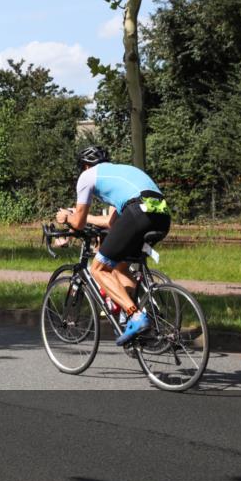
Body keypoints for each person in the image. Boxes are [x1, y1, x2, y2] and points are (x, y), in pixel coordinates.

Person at [54, 145, 171, 346]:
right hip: (161, 215)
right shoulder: (121, 173)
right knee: (120, 266)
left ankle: (135, 317)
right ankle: (138, 319)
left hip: (137, 212)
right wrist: (85, 217)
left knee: (98, 269)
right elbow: (111, 223)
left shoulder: (87, 176)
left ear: (85, 166)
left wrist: (67, 217)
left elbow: (79, 223)